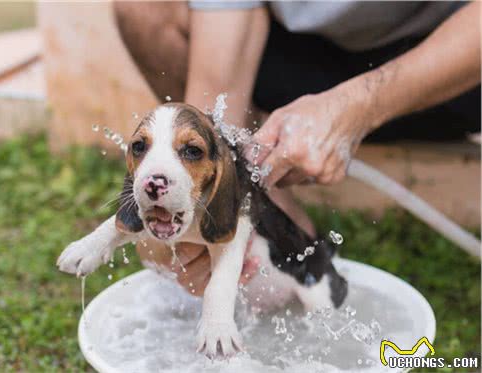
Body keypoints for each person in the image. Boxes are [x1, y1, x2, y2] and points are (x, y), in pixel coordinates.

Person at [113, 1, 481, 296]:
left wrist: (360, 105)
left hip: (455, 62)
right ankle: (276, 217)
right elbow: (216, 97)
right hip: (303, 60)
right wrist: (204, 204)